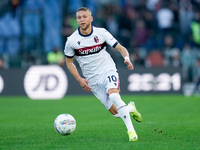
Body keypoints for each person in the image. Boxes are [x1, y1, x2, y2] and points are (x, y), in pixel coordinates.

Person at [64, 7, 143, 142]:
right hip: (92, 79)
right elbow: (69, 63)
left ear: (91, 18)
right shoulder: (72, 41)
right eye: (79, 18)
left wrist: (127, 59)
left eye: (84, 17)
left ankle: (132, 132)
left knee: (114, 94)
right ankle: (131, 107)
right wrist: (79, 79)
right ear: (76, 20)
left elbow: (120, 48)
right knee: (116, 113)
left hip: (107, 70)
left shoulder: (101, 33)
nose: (82, 20)